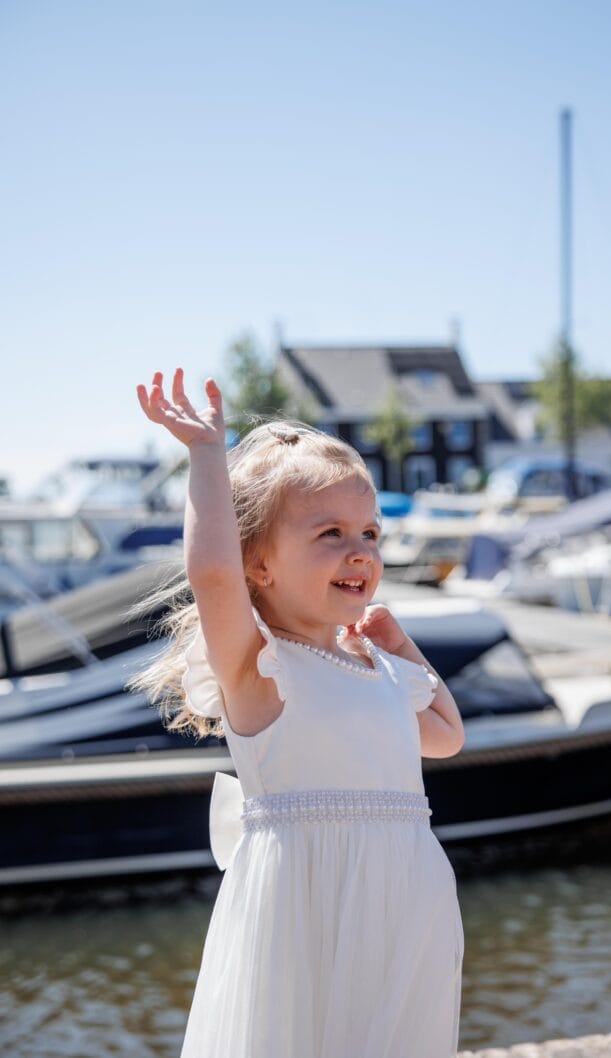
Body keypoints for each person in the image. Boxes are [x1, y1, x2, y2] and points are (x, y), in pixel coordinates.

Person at [134, 368, 466, 1058]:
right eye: (330, 533)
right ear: (260, 564)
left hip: (404, 904)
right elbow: (212, 576)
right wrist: (205, 458)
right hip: (307, 910)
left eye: (369, 532)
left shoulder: (372, 664)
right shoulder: (262, 670)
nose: (360, 550)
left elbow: (444, 737)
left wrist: (400, 646)